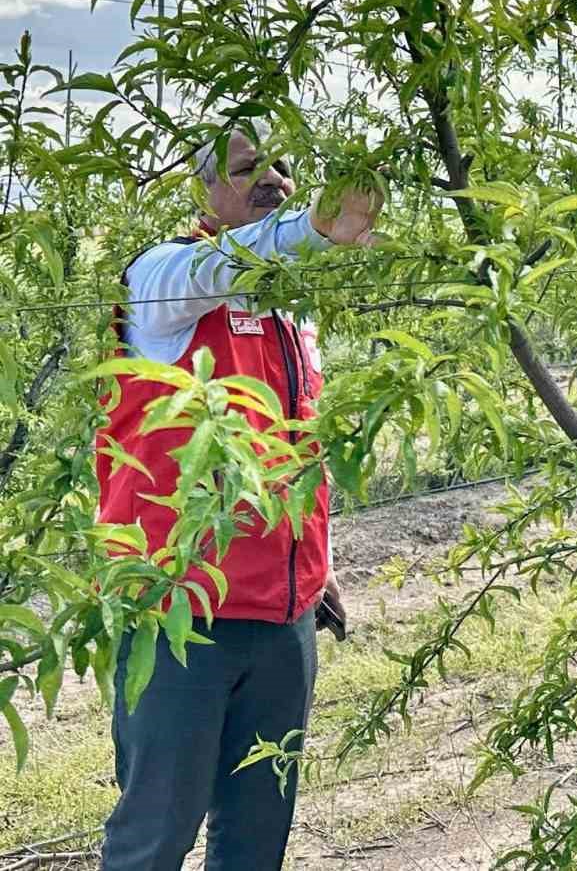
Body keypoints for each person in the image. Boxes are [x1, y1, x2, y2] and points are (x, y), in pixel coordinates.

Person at [97, 130, 382, 871]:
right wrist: (314, 228)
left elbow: (298, 443)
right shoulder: (165, 279)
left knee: (258, 832)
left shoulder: (291, 314)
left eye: (284, 166)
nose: (274, 179)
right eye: (248, 167)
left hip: (284, 619)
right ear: (200, 190)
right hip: (182, 613)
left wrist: (318, 566)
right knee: (156, 833)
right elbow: (222, 264)